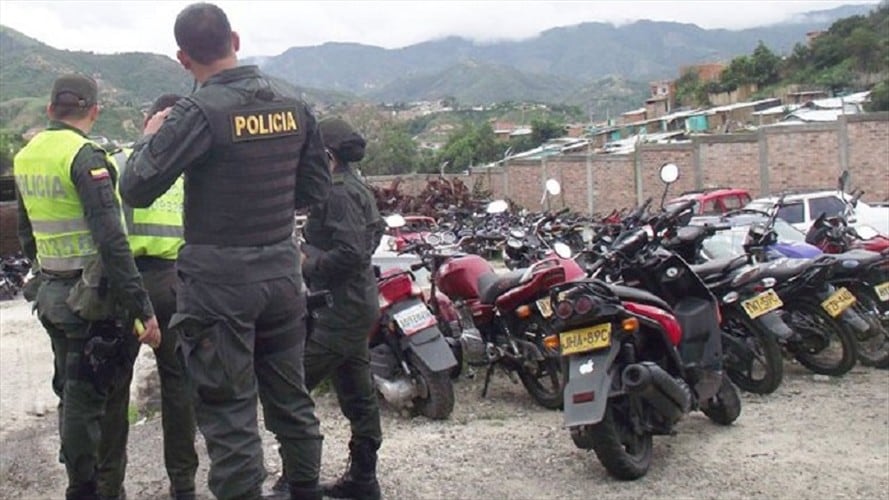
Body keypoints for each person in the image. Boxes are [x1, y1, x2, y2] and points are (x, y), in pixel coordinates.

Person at [118, 3, 331, 499]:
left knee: (230, 411)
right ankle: (304, 489)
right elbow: (315, 188)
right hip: (281, 277)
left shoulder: (199, 112)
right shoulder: (293, 103)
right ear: (235, 40)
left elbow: (136, 187)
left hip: (218, 288)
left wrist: (149, 138)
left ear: (182, 58)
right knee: (292, 400)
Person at [14, 73, 161, 500]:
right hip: (90, 301)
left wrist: (43, 276)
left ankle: (88, 481)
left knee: (70, 390)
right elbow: (112, 241)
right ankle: (86, 489)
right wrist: (142, 309)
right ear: (94, 112)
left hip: (52, 294)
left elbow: (26, 233)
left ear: (50, 109)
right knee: (90, 401)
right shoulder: (86, 156)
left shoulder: (27, 155)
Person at [274, 117, 385, 500]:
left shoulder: (338, 193)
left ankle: (295, 481)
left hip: (339, 312)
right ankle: (363, 480)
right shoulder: (355, 186)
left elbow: (351, 253)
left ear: (326, 155)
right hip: (354, 305)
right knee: (357, 393)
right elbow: (373, 235)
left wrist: (307, 260)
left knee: (289, 391)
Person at [109, 94, 198, 500]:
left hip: (123, 283)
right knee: (178, 386)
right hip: (174, 282)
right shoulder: (191, 168)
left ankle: (110, 486)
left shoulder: (118, 161)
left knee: (115, 387)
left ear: (147, 121)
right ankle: (184, 485)